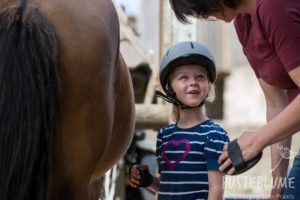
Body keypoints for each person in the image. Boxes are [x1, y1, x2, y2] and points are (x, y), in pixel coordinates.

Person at [168, 0, 300, 199]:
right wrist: (278, 179)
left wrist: (257, 140)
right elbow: (276, 103)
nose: (203, 16)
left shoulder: (274, 7)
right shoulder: (242, 21)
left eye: (201, 8)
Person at [128, 41, 230, 199]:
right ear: (169, 88)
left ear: (209, 86)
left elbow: (216, 190)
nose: (193, 82)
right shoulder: (165, 135)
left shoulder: (215, 135)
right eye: (184, 77)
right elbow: (165, 186)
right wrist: (148, 180)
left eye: (200, 77)